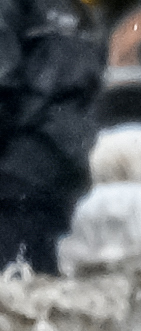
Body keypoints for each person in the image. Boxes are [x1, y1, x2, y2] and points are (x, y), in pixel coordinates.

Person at [0, 0, 101, 273]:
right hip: (66, 169)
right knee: (36, 276)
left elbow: (3, 88)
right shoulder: (74, 10)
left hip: (16, 175)